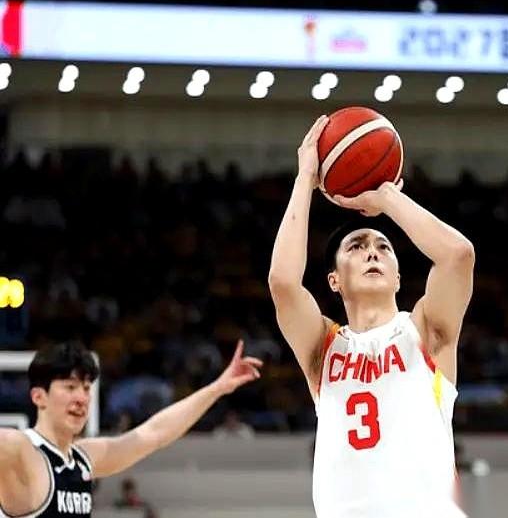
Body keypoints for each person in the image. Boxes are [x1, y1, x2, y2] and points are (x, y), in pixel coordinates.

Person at [268, 116, 474, 518]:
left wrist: (386, 199)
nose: (373, 252)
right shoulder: (324, 348)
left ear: (398, 277)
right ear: (334, 280)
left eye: (383, 247)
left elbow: (458, 256)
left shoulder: (425, 330)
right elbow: (283, 283)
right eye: (357, 247)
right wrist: (305, 177)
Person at [0, 339, 261, 517]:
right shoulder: (20, 449)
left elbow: (154, 433)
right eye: (70, 387)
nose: (81, 398)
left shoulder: (83, 459)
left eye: (87, 388)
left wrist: (217, 388)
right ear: (39, 397)